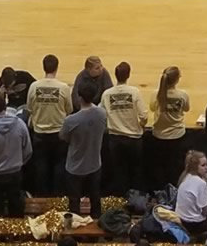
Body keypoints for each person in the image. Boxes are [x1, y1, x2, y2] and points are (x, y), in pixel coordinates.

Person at [26, 54, 71, 195]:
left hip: (39, 133)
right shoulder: (63, 88)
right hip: (59, 134)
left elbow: (29, 108)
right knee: (59, 166)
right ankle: (58, 197)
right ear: (57, 68)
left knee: (41, 167)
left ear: (43, 67)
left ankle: (41, 197)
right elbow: (69, 109)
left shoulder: (34, 86)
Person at [101, 62, 146, 198]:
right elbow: (143, 115)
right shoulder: (135, 92)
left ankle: (119, 200)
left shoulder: (107, 94)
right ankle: (136, 201)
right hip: (134, 139)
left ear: (115, 76)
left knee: (118, 172)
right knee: (136, 172)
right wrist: (141, 125)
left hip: (115, 139)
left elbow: (101, 114)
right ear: (128, 75)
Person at [62, 86, 107, 217]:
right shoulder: (102, 113)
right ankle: (96, 227)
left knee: (74, 201)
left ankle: (75, 228)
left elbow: (63, 137)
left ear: (79, 98)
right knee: (95, 198)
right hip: (94, 164)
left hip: (74, 167)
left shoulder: (71, 120)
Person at [149, 66, 192, 188]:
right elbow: (187, 108)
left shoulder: (156, 95)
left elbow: (152, 108)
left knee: (159, 167)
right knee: (174, 167)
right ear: (177, 80)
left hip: (159, 135)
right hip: (177, 135)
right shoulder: (182, 95)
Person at [174, 150, 207, 240]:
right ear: (195, 167)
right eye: (203, 165)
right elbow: (204, 211)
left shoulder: (185, 177)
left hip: (180, 219)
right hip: (194, 224)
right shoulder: (201, 183)